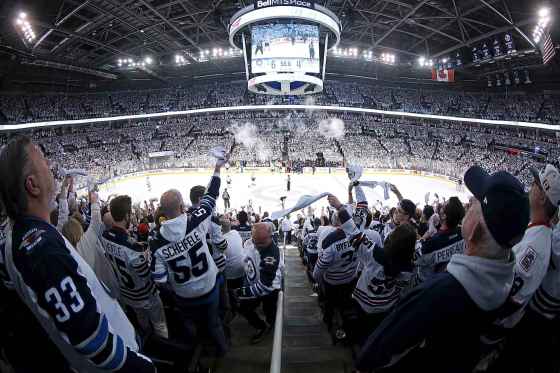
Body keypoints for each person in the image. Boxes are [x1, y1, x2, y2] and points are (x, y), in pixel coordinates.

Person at [0, 135, 155, 372]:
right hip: (119, 360)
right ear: (32, 185)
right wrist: (141, 366)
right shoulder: (42, 251)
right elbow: (90, 338)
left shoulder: (24, 233)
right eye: (44, 162)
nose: (52, 167)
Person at [354, 165, 530, 373]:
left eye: (473, 203)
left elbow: (372, 355)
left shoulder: (434, 294)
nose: (468, 205)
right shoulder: (506, 285)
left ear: (473, 230)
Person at [151, 157, 228, 357]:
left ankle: (196, 353)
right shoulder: (197, 219)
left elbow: (159, 280)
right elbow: (211, 195)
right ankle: (221, 351)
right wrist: (217, 168)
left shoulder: (156, 242)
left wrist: (177, 290)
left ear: (163, 214)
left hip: (184, 296)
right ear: (183, 207)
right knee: (214, 323)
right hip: (208, 287)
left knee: (191, 326)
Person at [101, 195, 168, 339]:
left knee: (142, 321)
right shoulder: (132, 247)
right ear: (127, 215)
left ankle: (148, 339)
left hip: (127, 294)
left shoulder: (105, 236)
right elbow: (146, 275)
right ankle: (163, 345)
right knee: (160, 324)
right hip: (145, 295)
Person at [235, 223, 284, 344]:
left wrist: (241, 292)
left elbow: (265, 287)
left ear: (270, 236)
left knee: (270, 311)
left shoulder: (271, 255)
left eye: (262, 242)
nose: (257, 245)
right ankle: (262, 326)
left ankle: (269, 326)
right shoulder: (249, 243)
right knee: (244, 308)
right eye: (255, 241)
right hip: (254, 283)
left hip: (269, 289)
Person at [414, 197, 465, 284]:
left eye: (443, 206)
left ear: (444, 215)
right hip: (446, 281)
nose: (440, 206)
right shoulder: (463, 233)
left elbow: (416, 259)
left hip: (427, 284)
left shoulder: (432, 242)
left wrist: (419, 239)